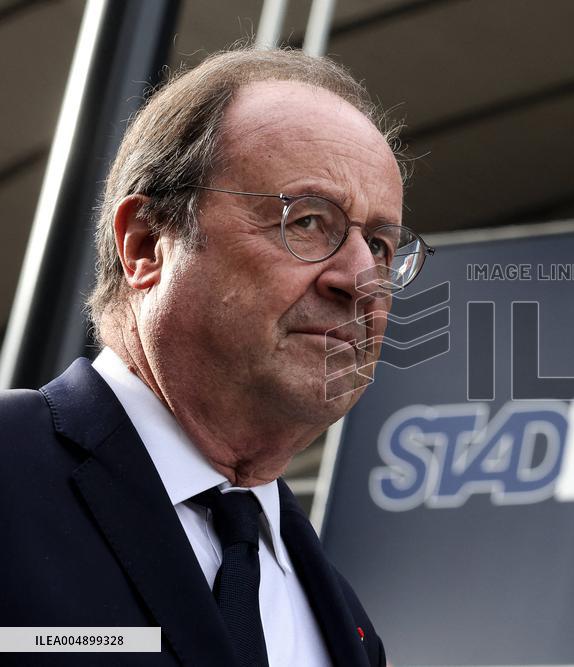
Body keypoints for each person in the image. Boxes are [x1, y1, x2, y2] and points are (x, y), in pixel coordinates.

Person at [0, 48, 431, 666]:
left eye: (383, 247)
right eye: (309, 221)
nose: (361, 278)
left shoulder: (349, 628)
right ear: (146, 244)